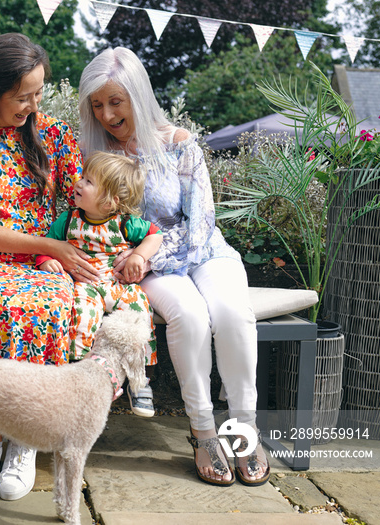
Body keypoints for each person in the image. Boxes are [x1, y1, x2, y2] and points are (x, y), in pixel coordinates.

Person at [78, 47, 270, 487]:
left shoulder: (179, 145)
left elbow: (200, 228)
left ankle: (243, 426)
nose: (106, 114)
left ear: (138, 97)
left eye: (115, 101)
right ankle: (203, 430)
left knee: (232, 314)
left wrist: (147, 254)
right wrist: (134, 258)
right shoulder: (93, 151)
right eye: (97, 104)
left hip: (198, 253)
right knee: (190, 317)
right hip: (138, 265)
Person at [0, 33, 89, 510]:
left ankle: (24, 438)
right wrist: (51, 244)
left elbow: (92, 196)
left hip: (43, 264)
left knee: (48, 301)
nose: (31, 105)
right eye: (21, 96)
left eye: (39, 94)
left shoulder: (54, 135)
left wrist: (126, 239)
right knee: (8, 306)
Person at [36, 151, 161, 417]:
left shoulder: (126, 223)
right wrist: (46, 260)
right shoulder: (68, 221)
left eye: (89, 182)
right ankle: (77, 374)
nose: (79, 183)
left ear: (111, 201)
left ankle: (140, 381)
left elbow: (155, 236)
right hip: (85, 285)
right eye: (82, 177)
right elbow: (48, 244)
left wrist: (139, 255)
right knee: (80, 317)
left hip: (120, 284)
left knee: (139, 314)